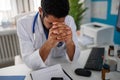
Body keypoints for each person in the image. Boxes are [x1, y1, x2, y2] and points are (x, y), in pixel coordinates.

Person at [17, 0, 80, 70]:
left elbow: (74, 58)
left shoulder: (69, 20)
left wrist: (69, 42)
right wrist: (49, 44)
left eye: (61, 23)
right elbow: (30, 63)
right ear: (40, 11)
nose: (55, 28)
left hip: (63, 67)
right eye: (50, 23)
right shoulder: (23, 24)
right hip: (39, 70)